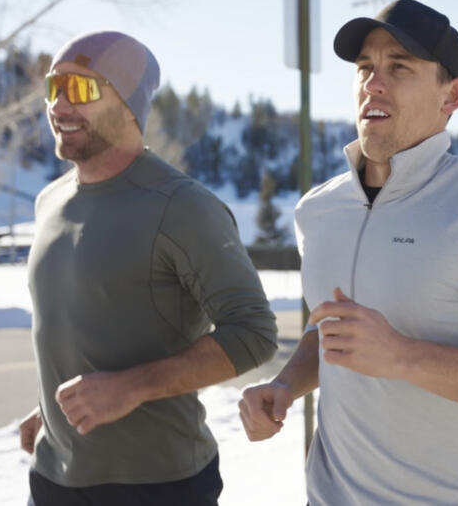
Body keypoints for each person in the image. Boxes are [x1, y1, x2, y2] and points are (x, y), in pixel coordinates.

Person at [238, 0, 458, 505]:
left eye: (398, 67)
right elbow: (329, 329)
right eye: (365, 68)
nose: (373, 83)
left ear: (453, 95)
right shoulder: (318, 210)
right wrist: (288, 383)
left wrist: (402, 356)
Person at [20, 30, 278, 506]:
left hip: (157, 487)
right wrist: (47, 412)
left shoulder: (182, 206)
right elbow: (78, 325)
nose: (58, 106)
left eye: (80, 90)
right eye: (54, 88)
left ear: (130, 103)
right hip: (53, 479)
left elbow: (254, 331)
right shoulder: (48, 201)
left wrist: (130, 388)